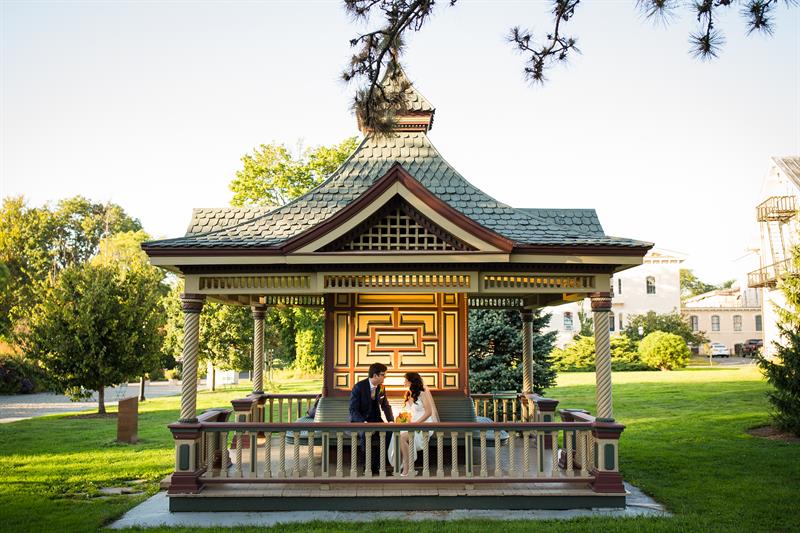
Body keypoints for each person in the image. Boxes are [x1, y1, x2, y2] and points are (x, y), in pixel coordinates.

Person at [388, 372, 440, 476]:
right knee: (396, 435)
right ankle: (399, 466)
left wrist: (416, 423)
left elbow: (429, 412)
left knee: (402, 437)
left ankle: (408, 468)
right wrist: (403, 419)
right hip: (412, 423)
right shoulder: (408, 394)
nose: (404, 382)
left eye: (406, 380)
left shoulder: (423, 393)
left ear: (411, 381)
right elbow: (408, 413)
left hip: (424, 424)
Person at [349, 362, 394, 473]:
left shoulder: (381, 388)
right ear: (375, 375)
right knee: (365, 434)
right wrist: (363, 422)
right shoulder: (359, 387)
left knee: (390, 432)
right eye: (383, 375)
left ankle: (377, 465)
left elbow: (385, 405)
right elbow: (353, 410)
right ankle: (367, 467)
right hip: (361, 420)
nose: (385, 377)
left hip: (376, 420)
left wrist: (391, 420)